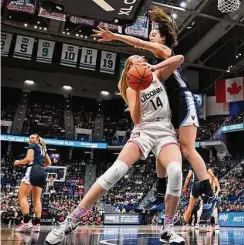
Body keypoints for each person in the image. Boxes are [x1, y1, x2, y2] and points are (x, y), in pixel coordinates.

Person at [46, 54, 186, 244]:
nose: (143, 57)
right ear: (130, 67)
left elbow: (179, 58)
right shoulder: (130, 88)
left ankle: (167, 229)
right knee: (116, 170)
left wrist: (153, 67)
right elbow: (136, 119)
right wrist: (136, 90)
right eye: (138, 58)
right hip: (143, 131)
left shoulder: (157, 74)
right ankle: (70, 221)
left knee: (176, 172)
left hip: (165, 130)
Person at [93, 6, 215, 207]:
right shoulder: (155, 61)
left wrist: (115, 36)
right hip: (173, 106)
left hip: (184, 100)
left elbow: (144, 45)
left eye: (154, 34)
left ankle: (209, 192)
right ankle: (160, 192)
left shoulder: (165, 52)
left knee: (187, 148)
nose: (150, 38)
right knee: (163, 143)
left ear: (163, 38)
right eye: (150, 35)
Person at [14, 134, 51, 232]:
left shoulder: (32, 146)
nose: (30, 139)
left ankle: (26, 223)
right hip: (42, 172)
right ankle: (37, 226)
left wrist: (18, 162)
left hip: (32, 170)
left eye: (33, 138)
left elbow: (28, 159)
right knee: (37, 200)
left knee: (22, 196)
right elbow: (49, 163)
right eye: (30, 138)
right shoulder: (43, 148)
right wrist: (39, 165)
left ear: (38, 139)